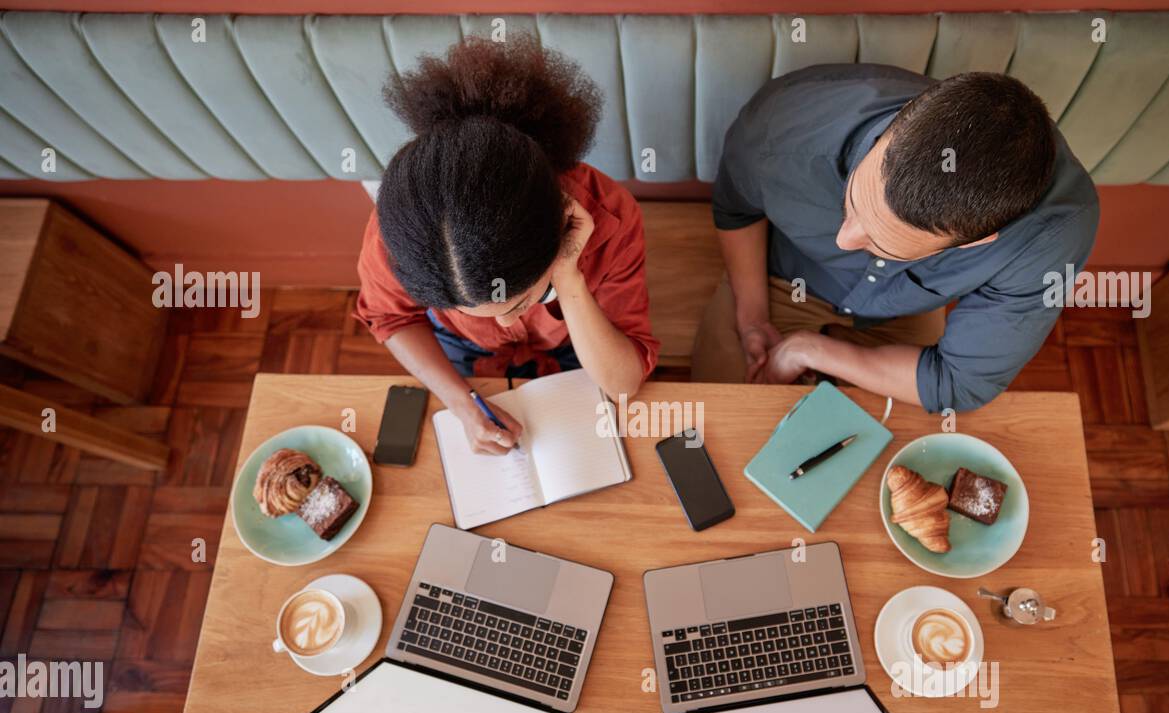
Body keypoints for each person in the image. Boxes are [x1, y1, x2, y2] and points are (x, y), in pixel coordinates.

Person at [693, 66, 1099, 412]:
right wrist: (752, 318)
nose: (843, 239)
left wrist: (808, 350)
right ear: (898, 124)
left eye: (881, 244)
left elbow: (958, 383)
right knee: (724, 431)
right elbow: (736, 208)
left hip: (900, 319)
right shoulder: (781, 129)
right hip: (777, 279)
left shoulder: (1053, 233)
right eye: (852, 200)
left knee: (890, 466)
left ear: (974, 242)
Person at [355, 36, 658, 454]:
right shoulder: (400, 234)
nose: (502, 324)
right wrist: (461, 404)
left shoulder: (611, 216)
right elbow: (391, 319)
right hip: (460, 348)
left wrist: (569, 280)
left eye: (520, 303)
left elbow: (624, 385)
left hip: (574, 337)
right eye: (466, 306)